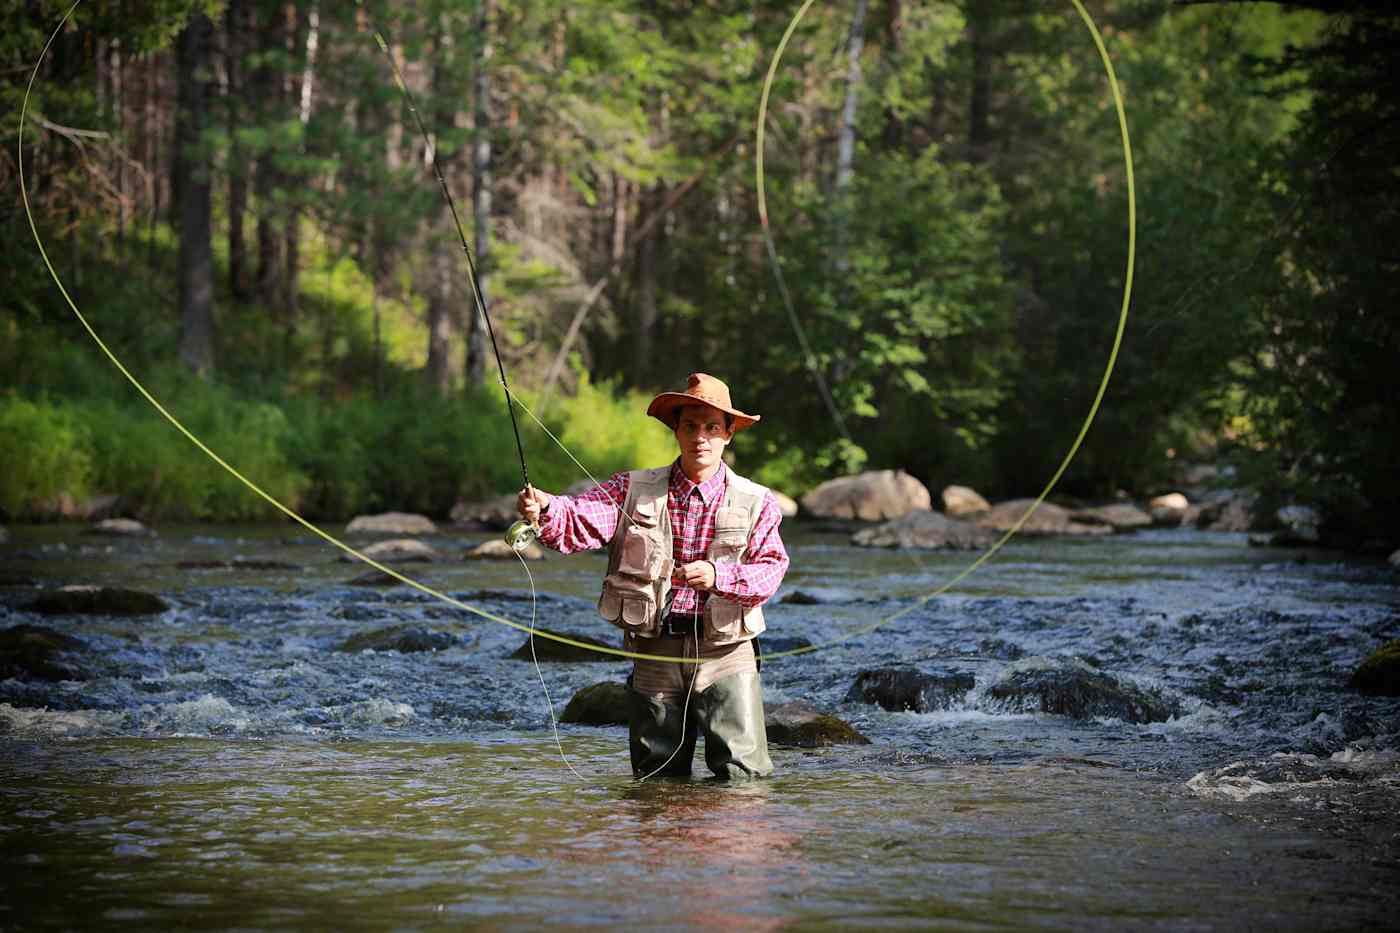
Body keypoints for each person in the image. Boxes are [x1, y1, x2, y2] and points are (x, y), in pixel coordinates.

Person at [516, 372, 789, 779]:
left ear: (728, 434)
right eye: (690, 426)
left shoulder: (758, 502)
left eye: (712, 427)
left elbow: (770, 571)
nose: (701, 437)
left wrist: (719, 575)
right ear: (675, 431)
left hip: (727, 653)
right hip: (654, 653)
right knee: (655, 782)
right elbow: (579, 520)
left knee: (743, 780)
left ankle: (732, 844)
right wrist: (546, 508)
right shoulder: (631, 489)